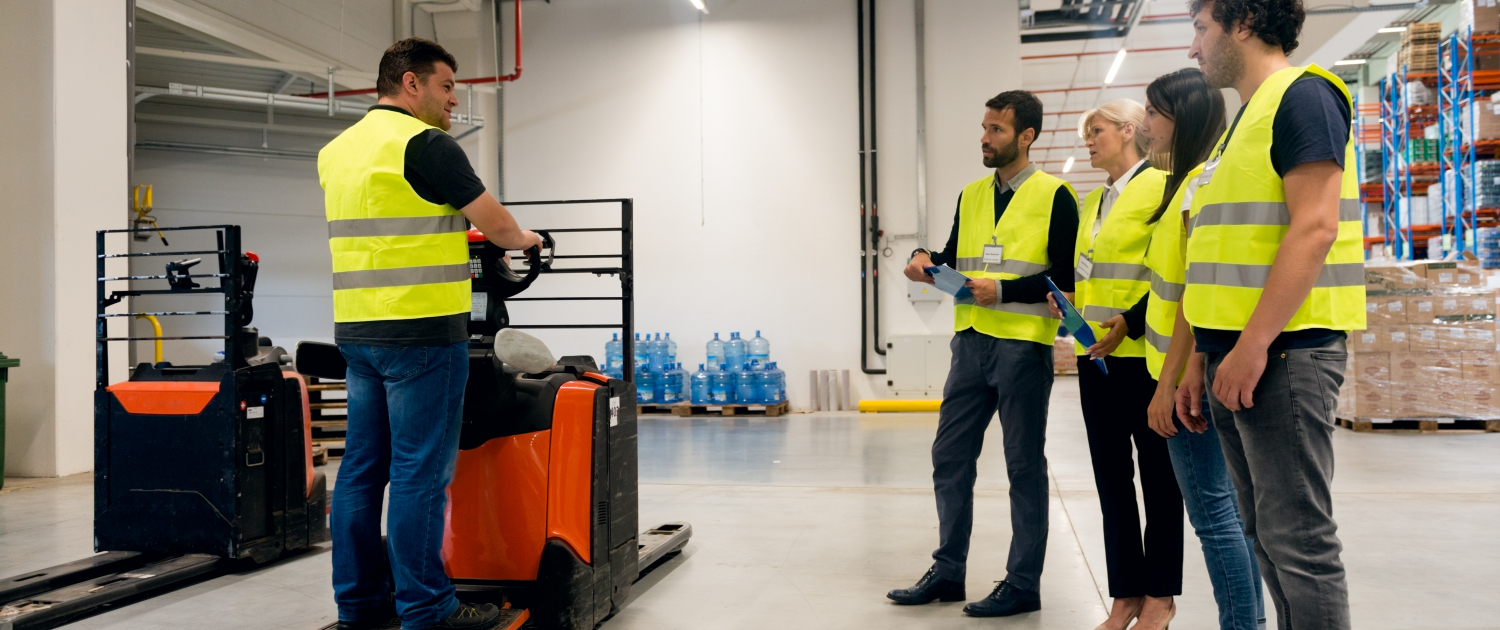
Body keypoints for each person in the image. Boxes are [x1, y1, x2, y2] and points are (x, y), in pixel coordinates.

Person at [318, 38, 543, 630]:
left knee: (361, 472)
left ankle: (361, 608)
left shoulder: (336, 152)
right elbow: (493, 222)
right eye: (446, 88)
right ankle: (428, 611)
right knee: (420, 474)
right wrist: (526, 240)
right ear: (411, 83)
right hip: (422, 336)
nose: (452, 103)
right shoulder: (426, 145)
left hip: (359, 334)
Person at [1181, 0, 1365, 627]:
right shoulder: (1243, 123)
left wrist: (1253, 345)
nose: (1193, 48)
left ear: (1243, 22)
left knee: (1299, 541)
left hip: (1283, 353)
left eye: (1201, 29)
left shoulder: (1304, 97)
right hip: (1237, 355)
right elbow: (1225, 254)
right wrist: (1202, 360)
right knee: (1262, 532)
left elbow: (1313, 228)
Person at [891, 90, 1078, 618]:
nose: (984, 138)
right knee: (949, 456)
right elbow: (953, 256)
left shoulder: (1056, 195)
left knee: (1023, 466)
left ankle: (1023, 583)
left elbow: (1065, 279)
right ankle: (948, 571)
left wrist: (1007, 292)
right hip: (969, 343)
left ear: (1026, 136)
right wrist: (921, 258)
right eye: (984, 128)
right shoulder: (971, 194)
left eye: (996, 130)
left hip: (1022, 347)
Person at [1139, 68, 1267, 630]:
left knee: (1216, 515)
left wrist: (1170, 383)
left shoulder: (1197, 186)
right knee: (1226, 513)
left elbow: (1193, 295)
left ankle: (1242, 624)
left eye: (1153, 114)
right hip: (1179, 367)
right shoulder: (1184, 186)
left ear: (1181, 118)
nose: (1145, 126)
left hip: (1187, 374)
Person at [1047, 100, 1183, 630]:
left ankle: (1161, 597)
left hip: (1143, 358)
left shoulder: (1160, 188)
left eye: (1096, 130)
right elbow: (1091, 271)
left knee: (1158, 480)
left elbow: (1171, 274)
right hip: (1095, 357)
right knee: (1111, 481)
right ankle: (1124, 595)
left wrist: (1130, 318)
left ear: (1129, 131)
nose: (1088, 140)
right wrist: (1070, 305)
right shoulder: (1094, 201)